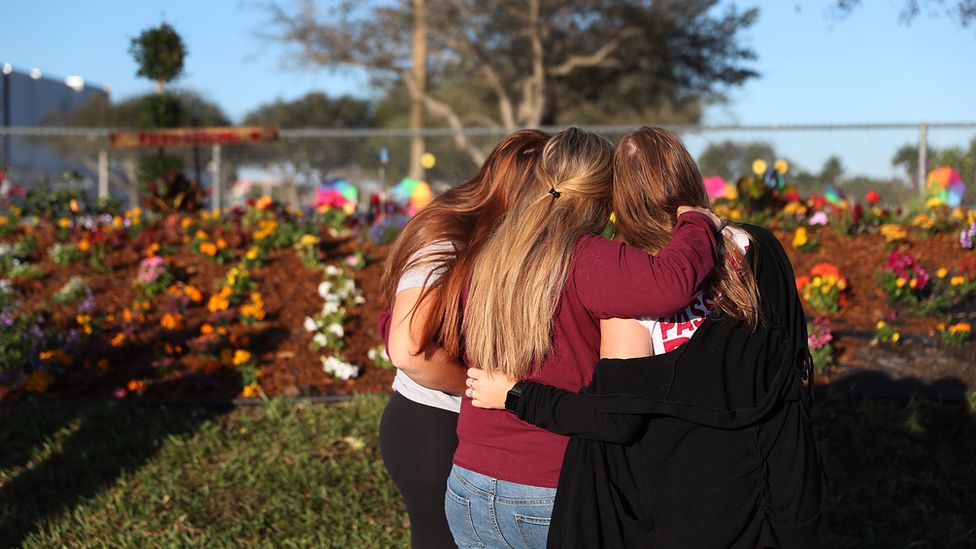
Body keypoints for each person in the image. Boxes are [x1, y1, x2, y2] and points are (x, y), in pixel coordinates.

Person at [467, 127, 826, 548]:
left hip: (681, 503)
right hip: (774, 489)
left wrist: (516, 395)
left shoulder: (631, 283)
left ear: (619, 197)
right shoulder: (760, 248)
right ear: (688, 176)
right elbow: (789, 358)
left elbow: (614, 418)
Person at [447, 127, 723, 549]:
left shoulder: (490, 252)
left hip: (468, 481)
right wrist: (698, 221)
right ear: (604, 196)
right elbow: (673, 282)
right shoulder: (589, 257)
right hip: (547, 488)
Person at [378, 129, 551, 549]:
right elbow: (408, 348)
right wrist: (477, 387)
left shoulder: (503, 239)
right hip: (432, 423)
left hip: (459, 425)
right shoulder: (449, 236)